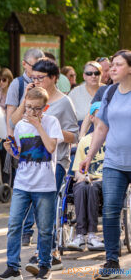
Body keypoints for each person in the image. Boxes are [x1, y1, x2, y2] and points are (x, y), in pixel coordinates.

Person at [11, 58, 79, 270]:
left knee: (44, 208)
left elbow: (74, 135)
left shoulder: (64, 102)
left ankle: (43, 254)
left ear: (54, 78)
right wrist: (26, 101)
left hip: (55, 160)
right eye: (33, 78)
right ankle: (49, 252)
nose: (37, 81)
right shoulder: (31, 99)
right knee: (29, 207)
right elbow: (15, 121)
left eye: (41, 78)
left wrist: (49, 128)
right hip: (31, 160)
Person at [0, 87, 63, 280]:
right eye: (29, 108)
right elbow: (23, 155)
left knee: (44, 228)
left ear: (45, 108)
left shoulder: (51, 122)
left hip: (45, 186)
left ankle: (45, 265)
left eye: (37, 109)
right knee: (14, 225)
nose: (32, 112)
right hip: (22, 184)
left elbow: (50, 147)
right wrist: (12, 151)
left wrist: (38, 125)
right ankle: (13, 267)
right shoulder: (21, 126)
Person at [80, 50, 131, 280]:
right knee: (110, 210)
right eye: (112, 65)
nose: (112, 69)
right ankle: (112, 261)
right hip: (113, 162)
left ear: (130, 68)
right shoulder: (109, 92)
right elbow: (101, 128)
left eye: (118, 65)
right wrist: (89, 156)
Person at [67, 102, 105, 252]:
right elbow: (77, 170)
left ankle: (92, 235)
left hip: (105, 181)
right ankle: (80, 235)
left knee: (93, 187)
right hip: (88, 179)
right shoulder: (84, 141)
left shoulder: (113, 138)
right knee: (82, 186)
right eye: (98, 113)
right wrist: (82, 177)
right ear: (92, 117)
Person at [5, 48, 44, 136]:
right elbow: (10, 122)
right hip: (22, 139)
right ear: (24, 64)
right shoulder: (17, 84)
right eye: (34, 67)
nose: (38, 70)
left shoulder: (47, 82)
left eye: (41, 66)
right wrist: (11, 144)